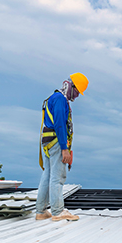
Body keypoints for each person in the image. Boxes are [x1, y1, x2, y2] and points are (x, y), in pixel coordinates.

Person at [36, 73, 89, 221]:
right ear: (71, 86)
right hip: (56, 143)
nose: (77, 95)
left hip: (48, 142)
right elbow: (59, 124)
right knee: (58, 177)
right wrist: (64, 148)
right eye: (77, 91)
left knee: (47, 176)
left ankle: (40, 211)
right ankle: (58, 211)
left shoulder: (53, 98)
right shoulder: (60, 99)